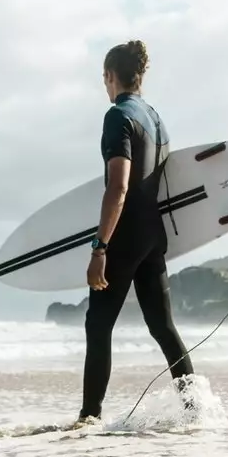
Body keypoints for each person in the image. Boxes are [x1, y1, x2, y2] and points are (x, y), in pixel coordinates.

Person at [76, 40, 194, 425]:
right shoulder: (156, 119)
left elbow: (119, 187)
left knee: (98, 324)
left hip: (125, 238)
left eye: (103, 78)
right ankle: (196, 411)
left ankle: (88, 419)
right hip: (153, 236)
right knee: (163, 327)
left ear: (111, 76)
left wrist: (100, 248)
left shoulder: (117, 116)